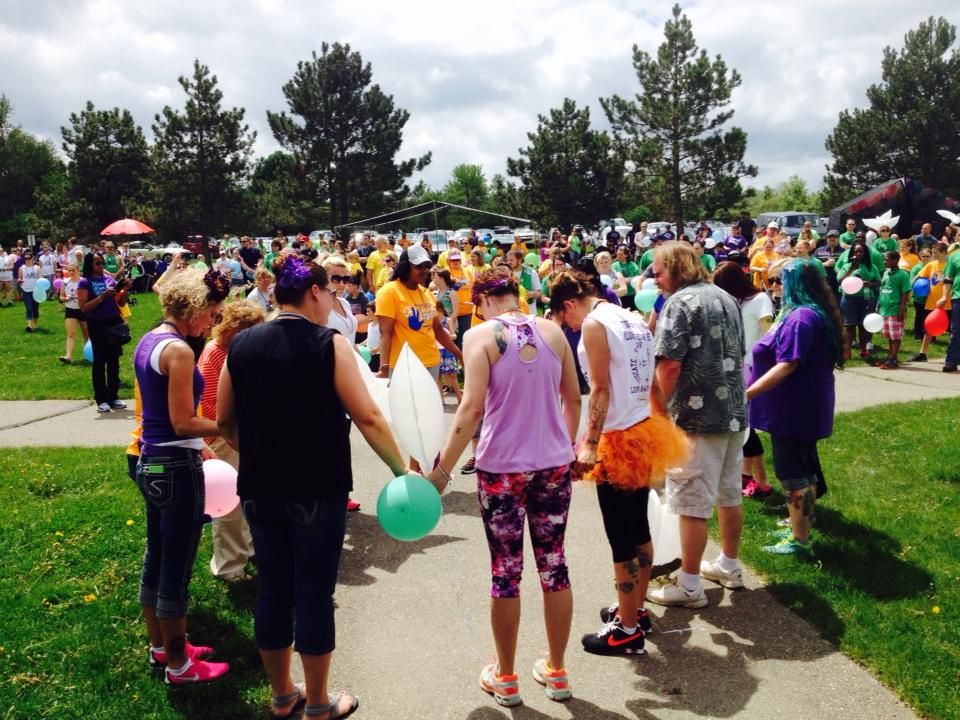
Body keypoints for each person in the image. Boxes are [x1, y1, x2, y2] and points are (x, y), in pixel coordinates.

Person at [218, 253, 409, 719]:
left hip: (261, 487)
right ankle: (320, 703)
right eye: (331, 293)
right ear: (316, 292)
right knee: (314, 594)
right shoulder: (329, 344)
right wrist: (402, 472)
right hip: (317, 489)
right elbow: (367, 416)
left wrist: (262, 449)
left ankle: (283, 695)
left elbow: (224, 419)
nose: (333, 303)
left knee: (273, 591)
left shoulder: (241, 346)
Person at [427, 269, 581, 706]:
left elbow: (471, 406)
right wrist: (565, 444)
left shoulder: (479, 336)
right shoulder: (552, 331)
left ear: (482, 301)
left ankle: (507, 676)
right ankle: (556, 671)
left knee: (505, 572)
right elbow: (573, 398)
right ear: (515, 295)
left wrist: (442, 471)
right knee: (554, 564)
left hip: (502, 469)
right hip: (552, 464)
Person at [548, 270, 687, 656]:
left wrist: (589, 443)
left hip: (617, 439)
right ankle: (635, 610)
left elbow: (600, 389)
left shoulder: (594, 324)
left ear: (570, 304)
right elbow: (654, 383)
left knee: (621, 538)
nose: (568, 326)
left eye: (565, 318)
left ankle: (626, 630)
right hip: (643, 430)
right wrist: (664, 425)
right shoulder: (631, 317)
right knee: (638, 526)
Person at [133, 267, 231, 684]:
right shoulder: (180, 351)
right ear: (193, 307)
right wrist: (229, 425)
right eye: (211, 312)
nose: (212, 321)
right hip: (176, 466)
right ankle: (180, 666)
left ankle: (163, 649)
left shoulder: (150, 339)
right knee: (175, 570)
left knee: (156, 560)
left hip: (150, 461)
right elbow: (183, 423)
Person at [646, 242, 747, 608]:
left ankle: (689, 586)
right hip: (734, 411)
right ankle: (729, 566)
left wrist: (655, 410)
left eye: (657, 271)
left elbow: (669, 365)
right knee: (729, 493)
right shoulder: (726, 297)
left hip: (697, 418)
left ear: (675, 267)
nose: (653, 278)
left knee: (691, 503)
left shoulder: (680, 303)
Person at [746, 258, 843, 555]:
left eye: (779, 281)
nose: (775, 286)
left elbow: (787, 364)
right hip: (800, 406)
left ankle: (799, 540)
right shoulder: (807, 313)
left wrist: (746, 394)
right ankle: (802, 522)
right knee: (804, 470)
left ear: (795, 283)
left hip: (793, 409)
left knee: (792, 474)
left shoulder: (801, 317)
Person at [197, 301, 266, 582]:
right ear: (236, 330)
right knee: (229, 506)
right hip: (223, 437)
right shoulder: (217, 355)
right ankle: (228, 565)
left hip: (238, 434)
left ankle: (246, 550)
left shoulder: (232, 352)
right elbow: (213, 406)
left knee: (245, 499)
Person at [712, 261, 775, 498]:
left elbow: (768, 334)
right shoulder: (736, 302)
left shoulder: (760, 301)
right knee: (740, 426)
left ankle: (762, 482)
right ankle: (746, 475)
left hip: (751, 368)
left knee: (745, 426)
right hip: (734, 366)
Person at [375, 245, 462, 381]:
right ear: (405, 267)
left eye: (427, 266)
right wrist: (384, 366)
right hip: (403, 366)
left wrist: (460, 355)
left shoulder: (426, 292)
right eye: (419, 266)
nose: (425, 271)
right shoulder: (389, 292)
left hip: (431, 362)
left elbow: (438, 330)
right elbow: (386, 333)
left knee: (430, 402)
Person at [78, 252, 131, 412]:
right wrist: (102, 297)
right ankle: (101, 399)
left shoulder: (109, 279)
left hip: (113, 322)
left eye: (102, 263)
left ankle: (113, 396)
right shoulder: (84, 282)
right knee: (100, 361)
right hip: (97, 323)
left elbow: (121, 302)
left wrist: (125, 289)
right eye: (97, 264)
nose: (101, 266)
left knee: (114, 361)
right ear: (90, 265)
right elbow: (84, 308)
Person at [837, 242, 881, 361]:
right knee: (849, 325)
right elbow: (840, 280)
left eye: (861, 251)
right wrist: (852, 268)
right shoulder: (847, 266)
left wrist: (870, 284)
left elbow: (878, 281)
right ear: (852, 253)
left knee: (863, 326)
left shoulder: (871, 267)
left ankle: (863, 351)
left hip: (866, 298)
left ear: (865, 253)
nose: (858, 254)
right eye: (856, 251)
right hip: (849, 299)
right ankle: (847, 351)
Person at [909, 242, 951, 363]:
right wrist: (910, 286)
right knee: (928, 329)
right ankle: (922, 354)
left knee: (952, 331)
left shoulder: (950, 265)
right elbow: (918, 275)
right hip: (932, 303)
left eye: (935, 253)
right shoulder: (931, 265)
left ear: (943, 252)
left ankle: (952, 354)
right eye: (932, 253)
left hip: (947, 304)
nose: (933, 255)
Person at [876, 251, 911, 369]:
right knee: (889, 336)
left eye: (887, 259)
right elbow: (882, 289)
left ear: (895, 260)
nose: (884, 261)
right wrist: (878, 304)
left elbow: (905, 292)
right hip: (885, 309)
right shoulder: (886, 273)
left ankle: (892, 359)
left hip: (895, 309)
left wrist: (901, 310)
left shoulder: (902, 275)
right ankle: (891, 355)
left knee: (895, 336)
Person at [58, 261, 88, 364]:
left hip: (83, 310)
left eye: (73, 270)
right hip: (70, 310)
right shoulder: (65, 282)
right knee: (71, 333)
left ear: (78, 271)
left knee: (86, 334)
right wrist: (66, 298)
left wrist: (81, 298)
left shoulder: (84, 282)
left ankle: (89, 355)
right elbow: (61, 297)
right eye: (69, 270)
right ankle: (68, 356)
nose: (71, 272)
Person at [18, 250, 41, 332]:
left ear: (32, 258)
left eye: (29, 258)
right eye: (25, 258)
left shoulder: (37, 268)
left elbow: (40, 279)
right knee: (29, 308)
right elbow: (19, 278)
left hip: (36, 291)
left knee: (35, 309)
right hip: (26, 291)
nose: (27, 260)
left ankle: (35, 324)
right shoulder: (21, 268)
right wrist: (19, 281)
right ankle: (29, 326)